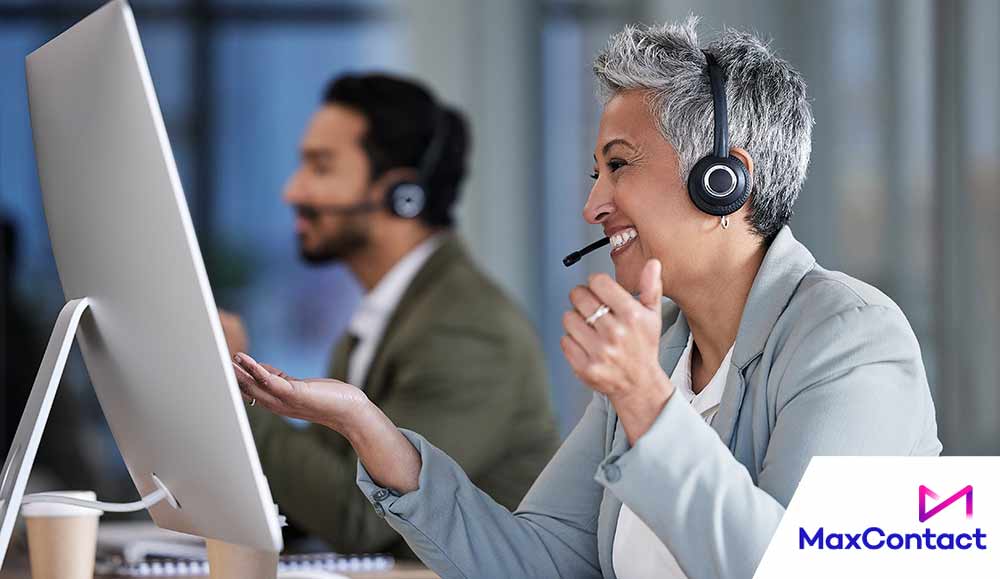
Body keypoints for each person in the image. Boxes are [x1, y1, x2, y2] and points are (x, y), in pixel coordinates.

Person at [231, 21, 942, 578]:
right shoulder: (660, 349)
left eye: (619, 167)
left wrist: (646, 406)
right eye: (594, 172)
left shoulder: (852, 339)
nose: (593, 203)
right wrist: (368, 427)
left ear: (723, 181)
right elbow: (536, 560)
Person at [221, 73, 559, 557]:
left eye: (320, 167)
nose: (292, 191)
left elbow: (363, 519)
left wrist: (230, 387)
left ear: (402, 193)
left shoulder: (467, 330)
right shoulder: (385, 316)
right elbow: (328, 487)